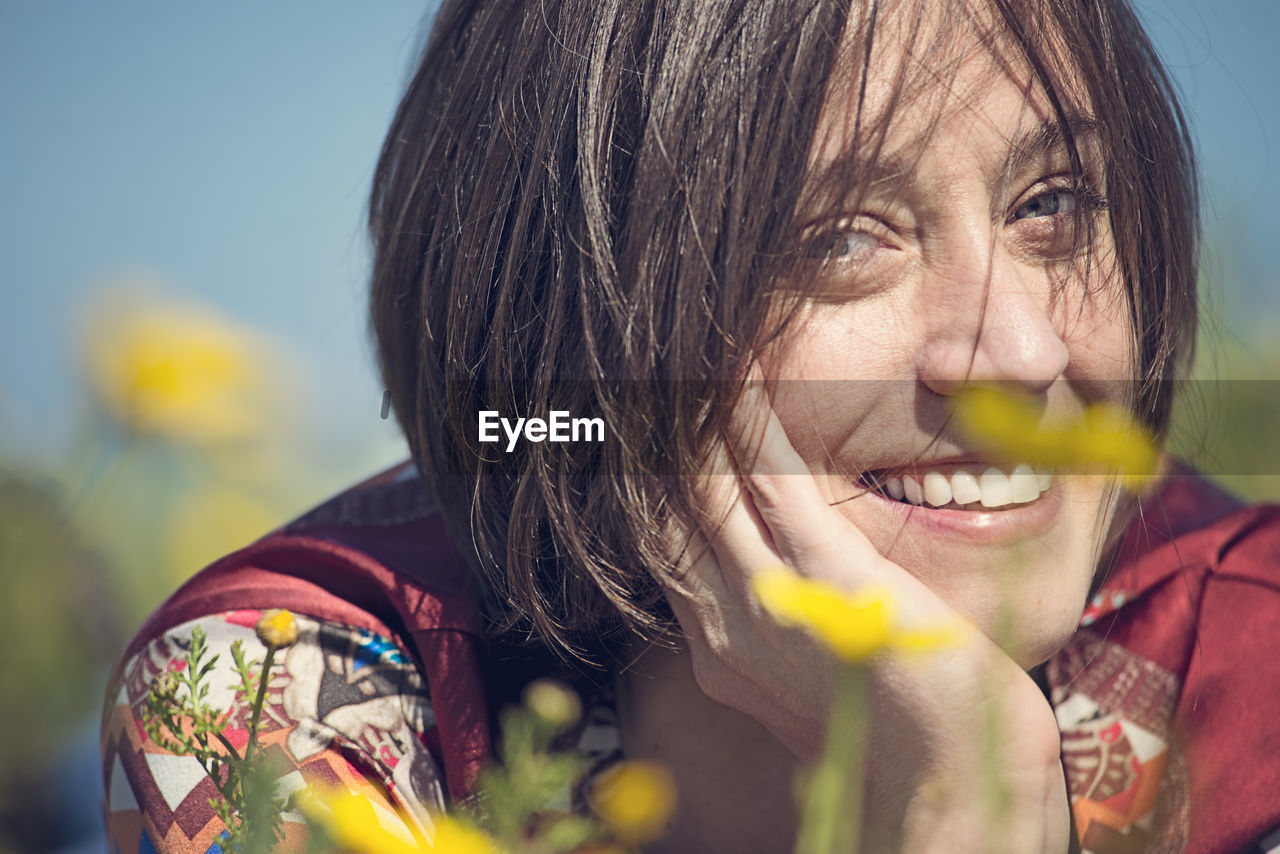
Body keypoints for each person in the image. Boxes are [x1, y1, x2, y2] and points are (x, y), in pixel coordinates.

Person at [100, 0, 1280, 851]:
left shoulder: (1255, 659)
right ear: (566, 328)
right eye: (837, 239)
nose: (1022, 354)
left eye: (1052, 204)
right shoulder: (268, 694)